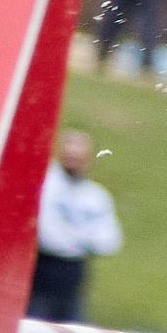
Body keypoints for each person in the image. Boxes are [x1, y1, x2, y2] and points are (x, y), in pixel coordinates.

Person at [27, 129, 121, 322]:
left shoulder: (95, 196)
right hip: (42, 270)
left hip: (72, 277)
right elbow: (48, 236)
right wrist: (84, 237)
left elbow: (110, 241)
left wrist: (71, 235)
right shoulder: (45, 184)